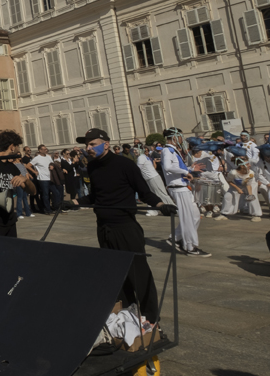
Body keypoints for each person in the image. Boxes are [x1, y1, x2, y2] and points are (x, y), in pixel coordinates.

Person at [80, 128, 169, 323]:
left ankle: (151, 317)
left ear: (106, 144)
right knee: (114, 273)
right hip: (103, 227)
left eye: (92, 144)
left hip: (125, 227)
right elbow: (95, 196)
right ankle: (126, 312)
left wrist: (161, 205)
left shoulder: (125, 165)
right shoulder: (93, 167)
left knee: (139, 273)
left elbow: (144, 192)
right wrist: (76, 202)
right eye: (86, 145)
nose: (88, 148)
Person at [160, 129, 208, 257]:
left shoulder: (173, 151)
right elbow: (167, 167)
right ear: (174, 137)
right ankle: (190, 246)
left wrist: (191, 169)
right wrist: (186, 172)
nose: (182, 139)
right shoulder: (167, 150)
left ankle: (175, 238)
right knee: (187, 217)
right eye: (180, 136)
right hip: (177, 188)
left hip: (183, 186)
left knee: (195, 215)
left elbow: (176, 168)